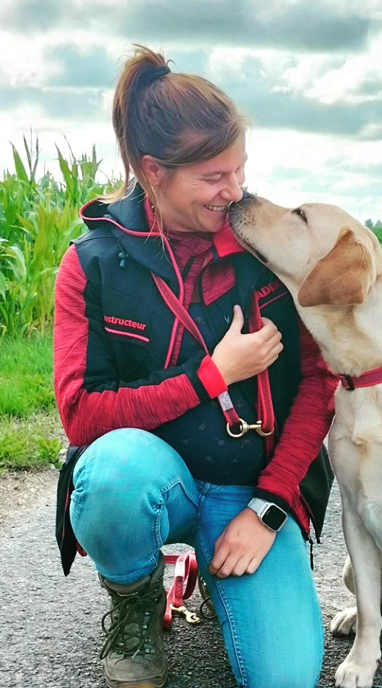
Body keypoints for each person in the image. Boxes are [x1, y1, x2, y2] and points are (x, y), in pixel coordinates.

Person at [51, 45, 338, 688]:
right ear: (154, 171)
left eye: (240, 170)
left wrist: (269, 509)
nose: (234, 192)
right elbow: (81, 416)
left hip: (251, 491)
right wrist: (211, 377)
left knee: (285, 678)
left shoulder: (270, 247)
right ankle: (136, 598)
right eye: (213, 178)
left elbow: (321, 384)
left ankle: (218, 569)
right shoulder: (92, 262)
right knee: (112, 476)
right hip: (154, 478)